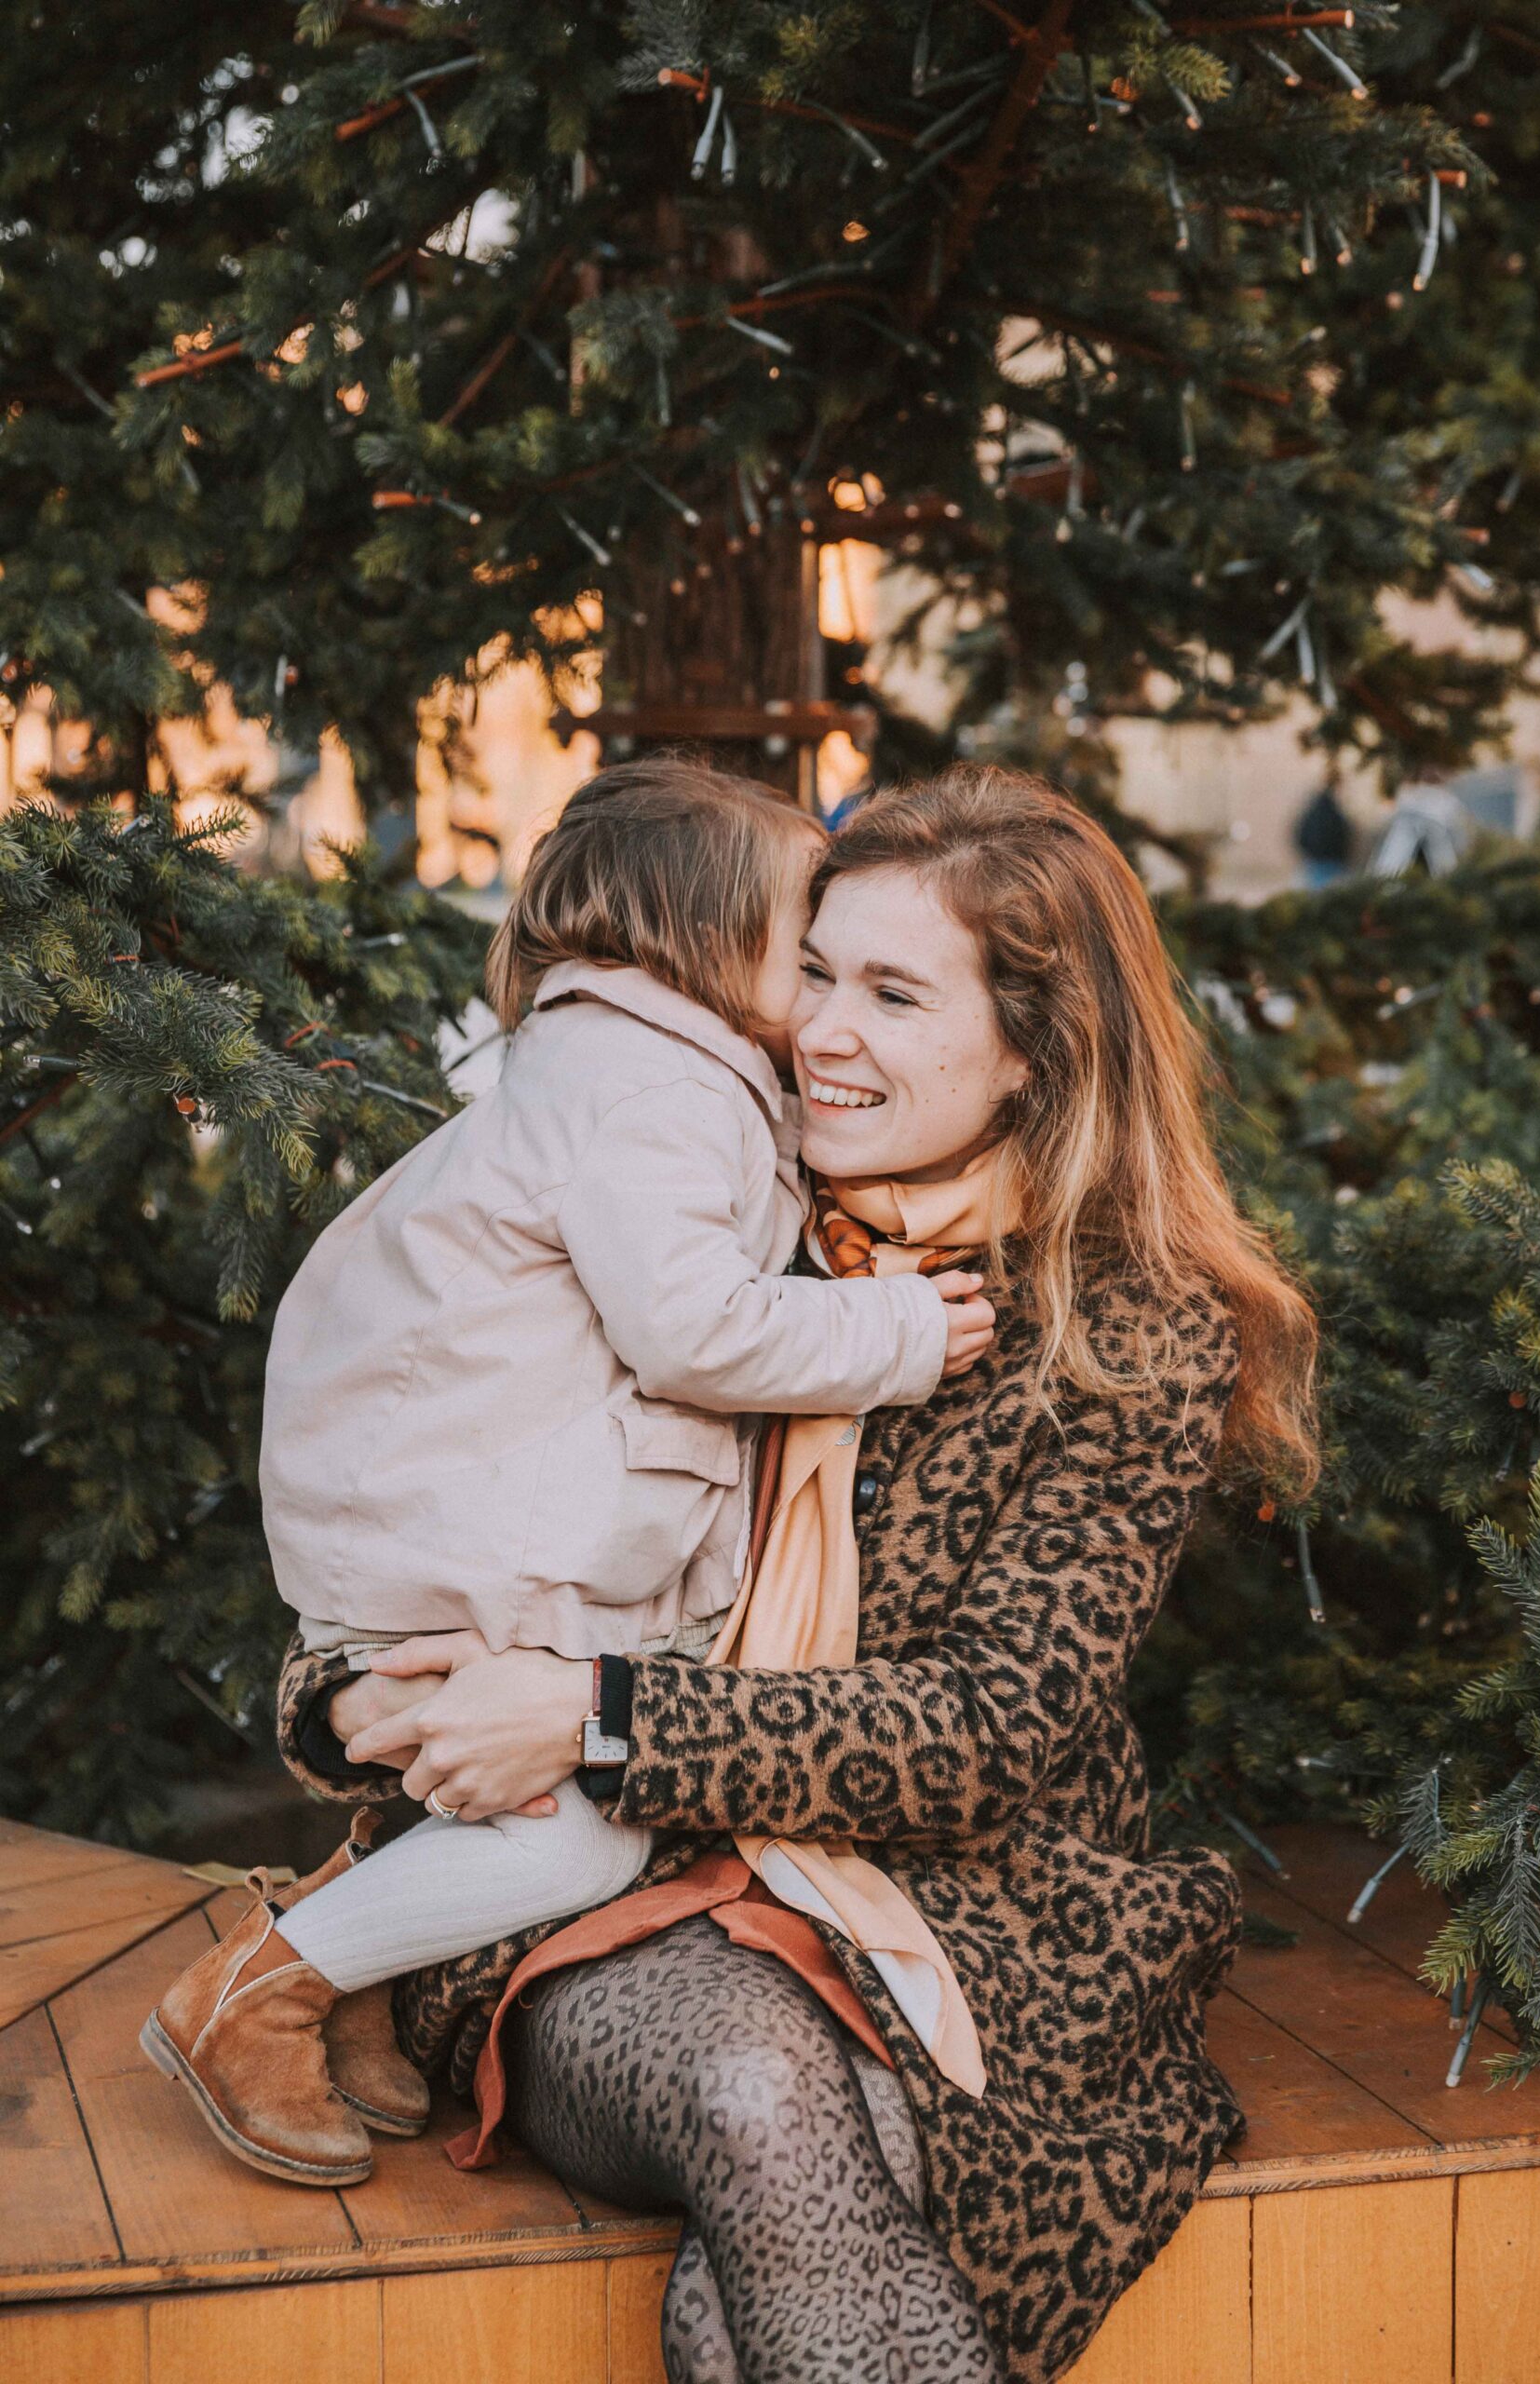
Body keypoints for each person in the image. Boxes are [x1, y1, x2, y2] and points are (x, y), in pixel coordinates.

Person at [279, 765, 1319, 2382]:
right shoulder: (678, 1192)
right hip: (591, 1894)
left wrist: (598, 1714)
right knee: (759, 2090)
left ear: (1035, 1050)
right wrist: (353, 1692)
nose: (822, 1031)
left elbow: (987, 1730)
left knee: (786, 2229)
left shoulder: (1124, 1327)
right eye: (814, 971)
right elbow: (417, 1480)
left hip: (967, 1907)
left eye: (895, 995)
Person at [141, 758, 993, 2189]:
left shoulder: (642, 1067)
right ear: (710, 937)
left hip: (461, 1518)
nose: (824, 994)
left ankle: (347, 1969)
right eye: (807, 948)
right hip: (466, 1540)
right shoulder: (650, 1093)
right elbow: (690, 1328)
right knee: (574, 1843)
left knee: (545, 1802)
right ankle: (257, 1990)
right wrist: (898, 1330)